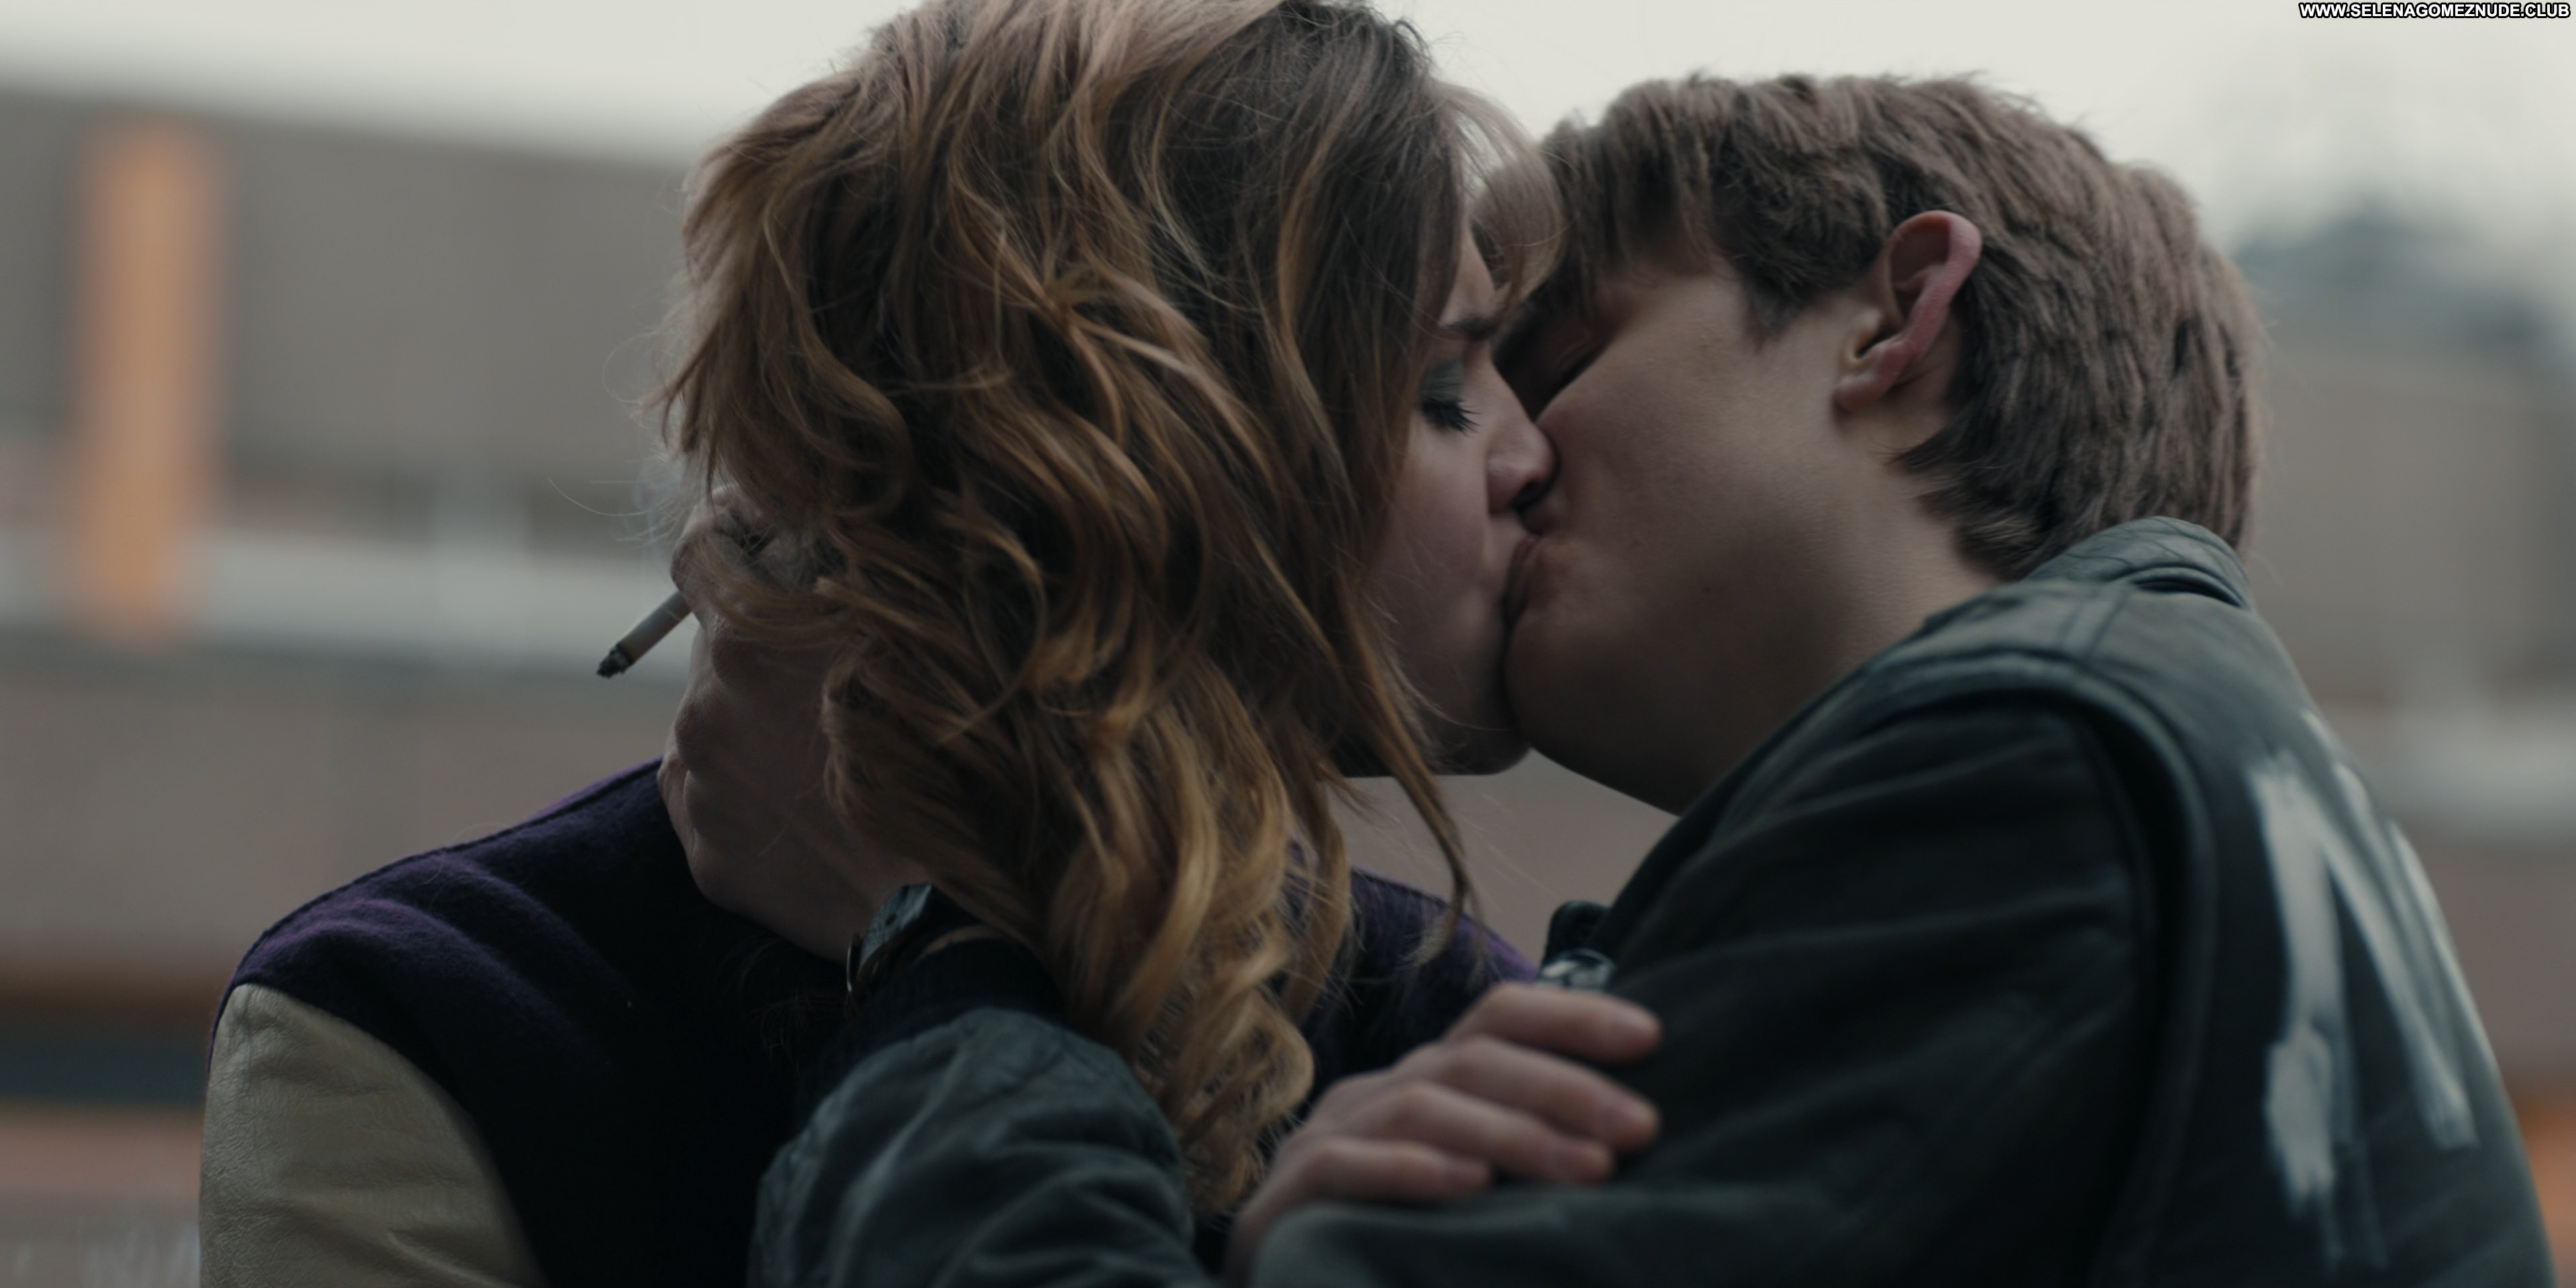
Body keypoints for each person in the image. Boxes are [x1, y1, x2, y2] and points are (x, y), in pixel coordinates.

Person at [745, 73, 2557, 1285]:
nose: (1516, 452)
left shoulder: (2024, 776)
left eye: (1554, 356)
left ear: (1897, 317)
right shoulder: (2177, 765)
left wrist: (934, 949)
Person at [193, 0, 1572, 1281]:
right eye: (1444, 388)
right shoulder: (421, 1024)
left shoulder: (1445, 1016)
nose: (1534, 455)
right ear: (1129, 465)